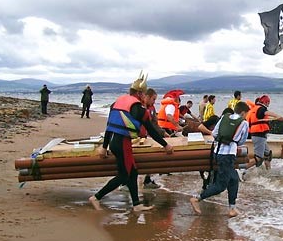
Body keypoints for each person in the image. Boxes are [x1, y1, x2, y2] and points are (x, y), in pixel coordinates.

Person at [89, 71, 173, 212]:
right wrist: (166, 145)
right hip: (123, 144)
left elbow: (110, 125)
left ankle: (136, 204)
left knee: (133, 172)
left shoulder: (119, 101)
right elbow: (151, 130)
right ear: (140, 94)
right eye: (145, 94)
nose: (145, 97)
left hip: (115, 142)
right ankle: (96, 197)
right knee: (124, 175)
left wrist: (104, 147)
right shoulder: (139, 108)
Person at [190, 101, 250, 217]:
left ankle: (232, 209)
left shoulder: (224, 117)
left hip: (218, 152)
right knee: (220, 186)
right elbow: (242, 141)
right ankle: (196, 199)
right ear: (243, 113)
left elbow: (214, 134)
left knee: (233, 179)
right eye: (246, 114)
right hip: (228, 155)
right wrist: (233, 142)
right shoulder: (244, 123)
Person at [240, 95, 283, 172]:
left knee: (267, 154)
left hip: (259, 135)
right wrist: (278, 116)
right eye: (268, 103)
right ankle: (241, 169)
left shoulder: (254, 109)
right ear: (266, 102)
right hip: (258, 135)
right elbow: (266, 112)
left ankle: (268, 171)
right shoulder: (260, 109)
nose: (268, 105)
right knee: (258, 158)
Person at [141, 88, 170, 189]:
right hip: (140, 138)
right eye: (153, 99)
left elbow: (155, 124)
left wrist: (163, 132)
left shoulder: (152, 109)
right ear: (147, 97)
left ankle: (147, 179)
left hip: (150, 137)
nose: (154, 102)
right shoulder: (139, 108)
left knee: (151, 160)